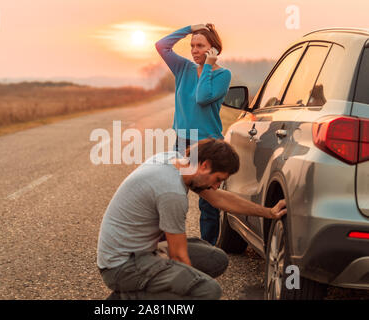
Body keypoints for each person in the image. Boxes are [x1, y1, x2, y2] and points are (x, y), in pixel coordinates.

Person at [97, 139, 287, 300]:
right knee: (207, 290)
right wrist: (191, 283)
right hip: (121, 265)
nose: (216, 186)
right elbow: (179, 256)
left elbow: (220, 198)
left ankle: (148, 288)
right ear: (204, 165)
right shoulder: (171, 191)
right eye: (218, 179)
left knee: (215, 259)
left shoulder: (174, 162)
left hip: (143, 250)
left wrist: (268, 212)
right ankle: (126, 298)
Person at [155, 23, 232, 246]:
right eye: (192, 45)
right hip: (182, 143)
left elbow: (201, 96)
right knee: (172, 196)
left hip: (208, 144)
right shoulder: (183, 68)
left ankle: (208, 249)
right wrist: (190, 28)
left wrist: (208, 65)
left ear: (213, 49)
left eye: (200, 46)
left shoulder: (223, 75)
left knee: (208, 205)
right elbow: (162, 46)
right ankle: (165, 245)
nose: (194, 50)